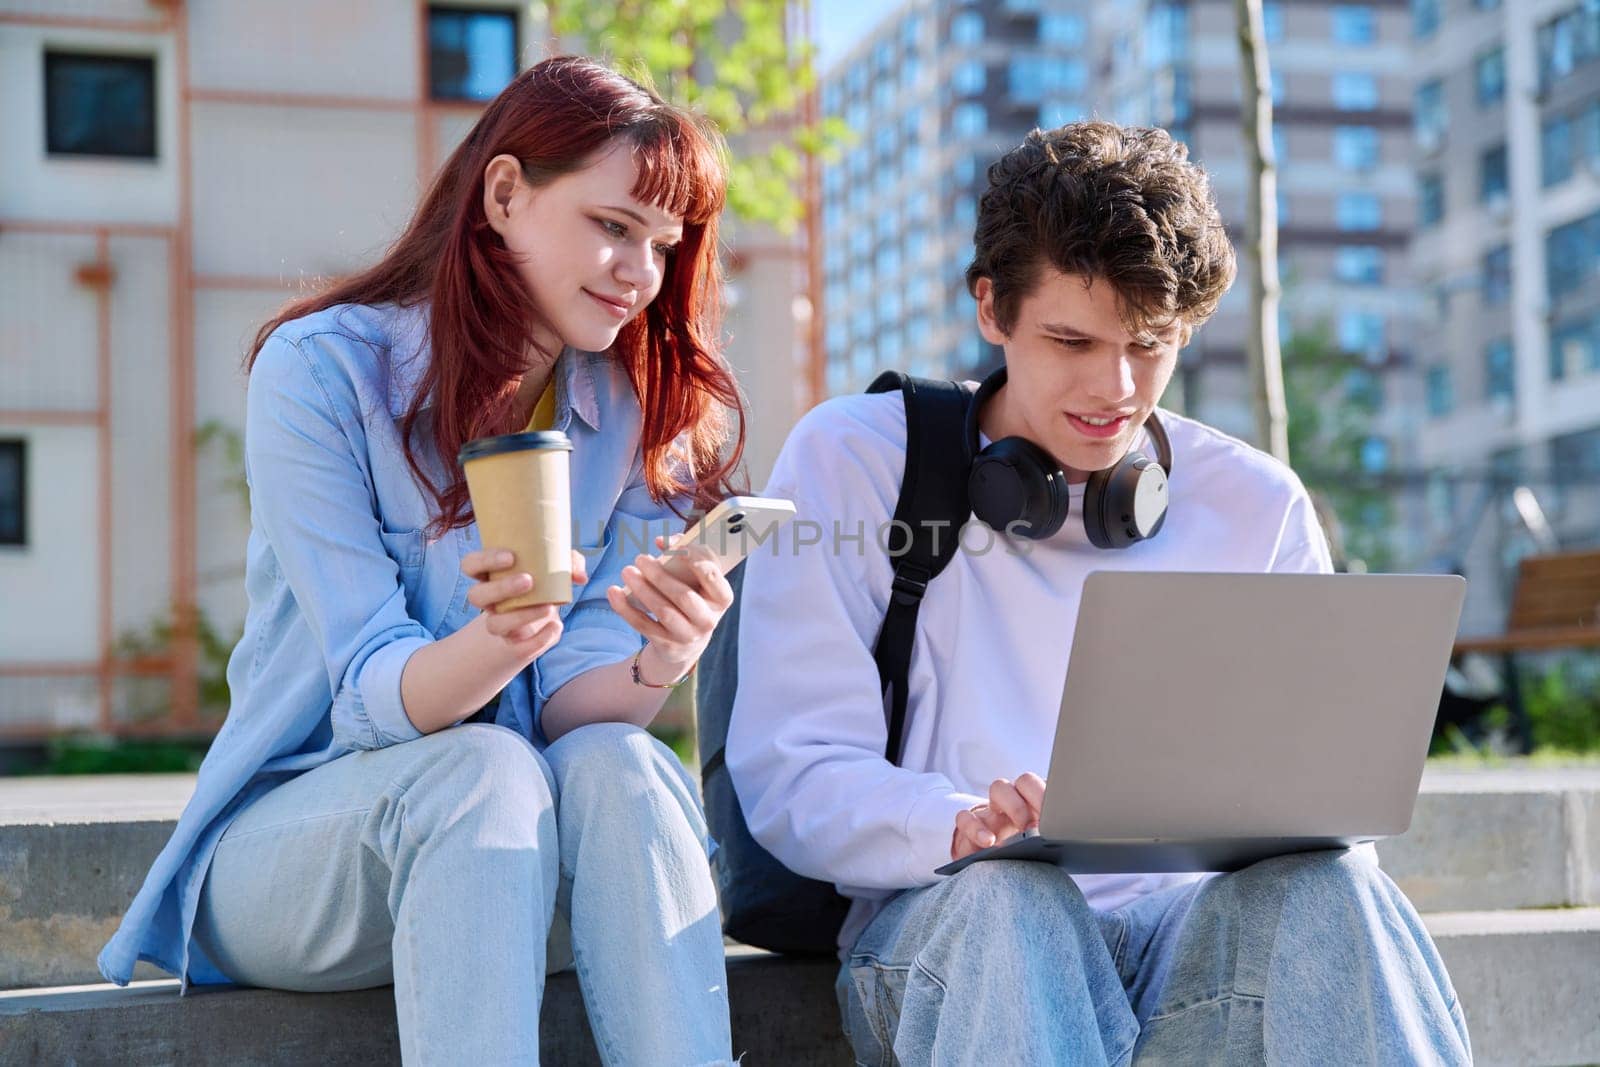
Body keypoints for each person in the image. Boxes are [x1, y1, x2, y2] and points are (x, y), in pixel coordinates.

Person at [726, 121, 1472, 1065]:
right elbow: (792, 771)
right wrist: (956, 823)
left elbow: (1318, 810)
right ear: (992, 309)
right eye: (1071, 339)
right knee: (1013, 900)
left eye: (1150, 345)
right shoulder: (857, 460)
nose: (1114, 388)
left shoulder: (1256, 501)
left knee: (1338, 892)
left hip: (1186, 942)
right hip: (950, 935)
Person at [100, 56, 743, 1065]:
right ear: (503, 193)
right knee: (481, 768)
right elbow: (369, 689)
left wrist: (660, 659)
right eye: (612, 225)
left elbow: (573, 703)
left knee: (621, 761)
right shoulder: (321, 371)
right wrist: (497, 639)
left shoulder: (625, 409)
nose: (640, 272)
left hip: (514, 853)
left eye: (663, 244)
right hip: (297, 850)